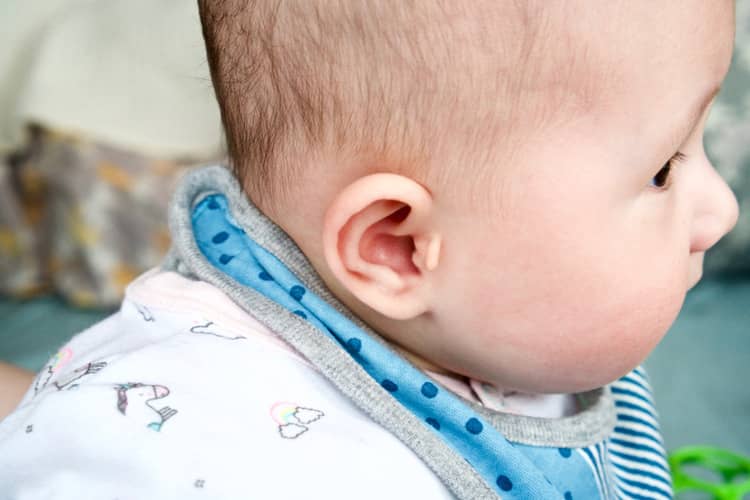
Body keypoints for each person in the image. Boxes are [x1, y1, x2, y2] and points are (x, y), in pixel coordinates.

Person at [0, 1, 739, 498]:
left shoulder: (530, 324)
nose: (722, 210)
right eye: (661, 171)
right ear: (398, 247)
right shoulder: (277, 471)